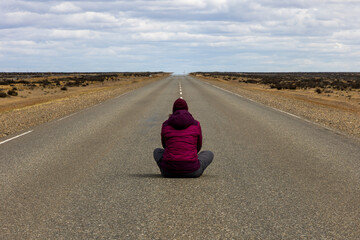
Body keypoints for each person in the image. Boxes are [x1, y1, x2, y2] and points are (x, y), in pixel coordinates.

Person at [153, 98, 214, 178]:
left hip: (168, 171)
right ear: (187, 109)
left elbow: (165, 145)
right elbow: (198, 146)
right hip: (192, 170)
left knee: (157, 151)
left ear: (173, 110)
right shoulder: (196, 124)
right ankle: (190, 164)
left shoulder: (166, 124)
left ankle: (167, 167)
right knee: (209, 153)